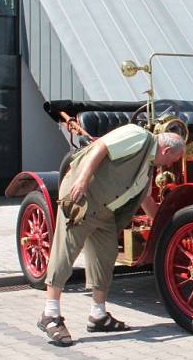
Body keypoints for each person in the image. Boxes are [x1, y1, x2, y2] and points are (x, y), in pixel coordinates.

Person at [38, 124, 185, 346]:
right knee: (65, 253)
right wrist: (83, 179)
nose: (171, 165)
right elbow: (101, 147)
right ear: (166, 151)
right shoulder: (138, 136)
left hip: (104, 212)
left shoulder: (147, 167)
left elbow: (146, 200)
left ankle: (98, 315)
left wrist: (168, 227)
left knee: (105, 258)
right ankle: (50, 314)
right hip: (83, 199)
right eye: (174, 159)